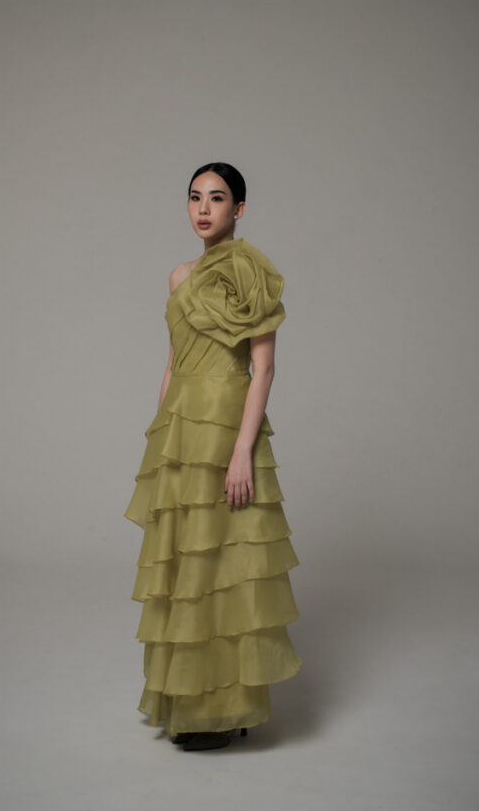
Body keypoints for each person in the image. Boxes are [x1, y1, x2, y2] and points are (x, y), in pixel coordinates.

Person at [124, 161, 302, 751]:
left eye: (217, 198)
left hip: (228, 424)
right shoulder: (178, 276)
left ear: (239, 209)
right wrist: (159, 436)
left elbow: (263, 368)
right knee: (188, 566)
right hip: (182, 429)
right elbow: (173, 362)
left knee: (225, 568)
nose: (203, 208)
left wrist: (243, 450)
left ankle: (225, 708)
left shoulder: (252, 271)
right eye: (195, 197)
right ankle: (189, 701)